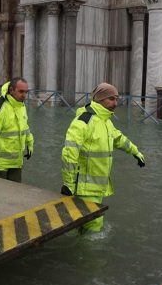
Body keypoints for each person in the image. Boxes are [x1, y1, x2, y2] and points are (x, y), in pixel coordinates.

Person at [60, 83, 146, 233]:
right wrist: (68, 183)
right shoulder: (84, 121)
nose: (115, 103)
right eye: (111, 99)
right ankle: (90, 254)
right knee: (93, 226)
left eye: (116, 99)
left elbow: (118, 139)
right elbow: (69, 153)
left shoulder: (105, 121)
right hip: (85, 187)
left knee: (84, 225)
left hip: (96, 187)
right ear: (100, 100)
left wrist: (135, 152)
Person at [0, 77, 33, 183]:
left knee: (15, 196)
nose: (24, 95)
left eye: (26, 92)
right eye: (21, 91)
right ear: (11, 90)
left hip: (16, 164)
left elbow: (25, 127)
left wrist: (30, 143)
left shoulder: (21, 106)